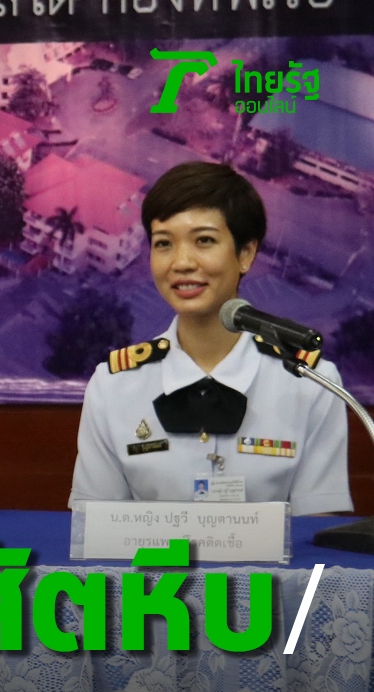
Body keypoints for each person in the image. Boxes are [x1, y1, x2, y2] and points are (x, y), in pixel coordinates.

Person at [69, 162, 350, 516]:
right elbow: (96, 528)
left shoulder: (312, 383)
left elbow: (315, 532)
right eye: (163, 243)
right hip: (157, 557)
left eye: (204, 241)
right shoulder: (113, 386)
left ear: (246, 253)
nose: (181, 263)